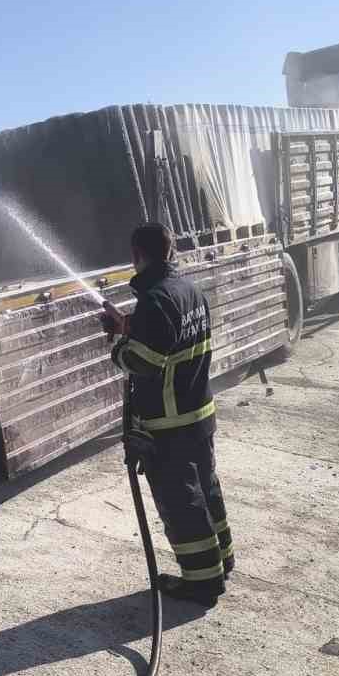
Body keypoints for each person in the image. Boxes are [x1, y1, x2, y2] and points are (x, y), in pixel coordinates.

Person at [100, 222, 233, 608]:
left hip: (170, 425)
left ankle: (202, 583)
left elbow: (143, 361)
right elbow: (170, 340)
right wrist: (130, 324)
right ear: (170, 251)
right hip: (198, 414)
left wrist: (120, 346)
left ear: (136, 255)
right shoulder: (188, 290)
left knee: (181, 503)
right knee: (207, 489)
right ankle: (222, 560)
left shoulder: (156, 300)